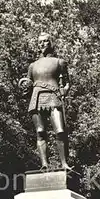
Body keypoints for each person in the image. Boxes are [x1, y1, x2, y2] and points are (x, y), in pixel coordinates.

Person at [19, 32, 72, 170]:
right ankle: (44, 164)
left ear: (51, 43)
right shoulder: (32, 66)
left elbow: (67, 83)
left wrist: (64, 91)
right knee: (40, 131)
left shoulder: (59, 62)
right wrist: (25, 88)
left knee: (60, 131)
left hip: (53, 96)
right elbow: (28, 84)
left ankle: (64, 163)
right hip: (36, 98)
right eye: (39, 42)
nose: (41, 44)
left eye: (45, 41)